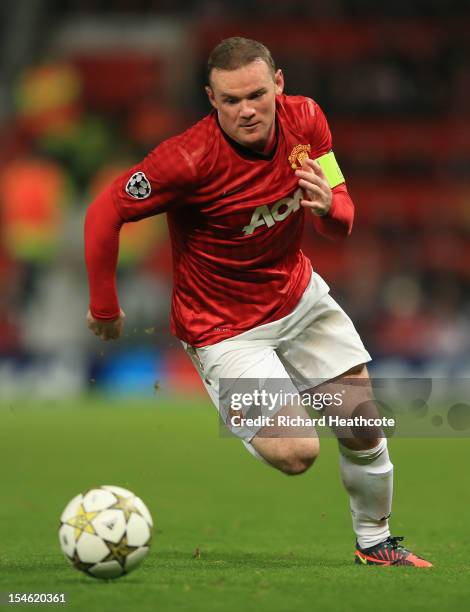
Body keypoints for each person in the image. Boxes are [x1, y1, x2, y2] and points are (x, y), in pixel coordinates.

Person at [84, 37, 431, 567]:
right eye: (230, 100)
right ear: (211, 98)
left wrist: (329, 210)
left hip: (298, 298)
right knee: (297, 454)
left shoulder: (308, 120)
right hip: (222, 329)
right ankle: (236, 391)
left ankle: (375, 543)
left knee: (362, 425)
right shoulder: (186, 159)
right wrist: (106, 308)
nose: (246, 110)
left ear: (279, 85)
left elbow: (343, 211)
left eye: (257, 95)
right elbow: (104, 213)